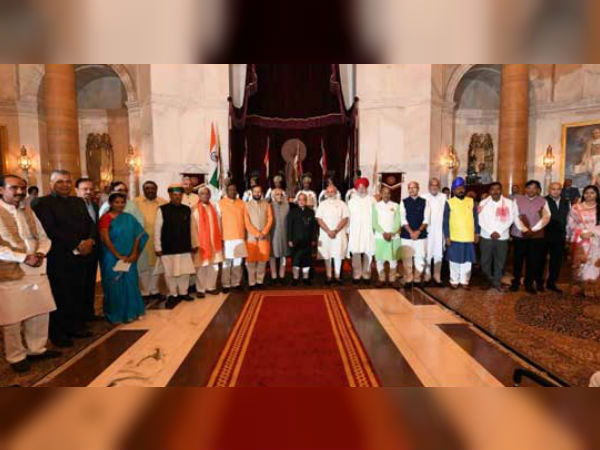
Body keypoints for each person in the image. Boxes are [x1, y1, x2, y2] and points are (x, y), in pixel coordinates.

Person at [0, 175, 59, 373]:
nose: (19, 191)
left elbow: (43, 237)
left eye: (22, 188)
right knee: (12, 316)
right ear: (1, 190)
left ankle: (36, 349)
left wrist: (41, 253)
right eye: (13, 187)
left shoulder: (27, 210)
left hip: (36, 266)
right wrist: (23, 257)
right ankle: (16, 356)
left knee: (40, 309)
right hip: (10, 270)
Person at [32, 170, 96, 347]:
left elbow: (90, 223)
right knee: (60, 295)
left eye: (68, 181)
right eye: (60, 181)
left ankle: (75, 326)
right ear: (51, 184)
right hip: (58, 257)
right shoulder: (42, 203)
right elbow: (49, 230)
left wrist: (90, 240)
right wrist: (77, 244)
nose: (65, 185)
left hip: (80, 257)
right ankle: (58, 333)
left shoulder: (78, 201)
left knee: (77, 293)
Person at [98, 193, 148, 323]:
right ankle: (116, 314)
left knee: (131, 283)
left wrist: (134, 253)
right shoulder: (105, 218)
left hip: (129, 257)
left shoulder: (129, 218)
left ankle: (132, 312)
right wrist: (117, 255)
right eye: (117, 202)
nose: (120, 205)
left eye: (122, 202)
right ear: (110, 203)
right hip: (112, 257)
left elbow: (138, 235)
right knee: (114, 286)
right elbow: (105, 239)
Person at [154, 184, 196, 308]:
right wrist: (158, 247)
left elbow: (192, 228)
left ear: (182, 196)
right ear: (170, 196)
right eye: (174, 195)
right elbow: (157, 230)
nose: (177, 197)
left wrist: (194, 243)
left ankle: (183, 292)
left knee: (185, 271)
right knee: (170, 272)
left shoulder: (187, 209)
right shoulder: (162, 209)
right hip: (168, 247)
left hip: (184, 246)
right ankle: (172, 294)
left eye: (179, 195)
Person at [510, 180, 551, 294]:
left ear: (538, 190)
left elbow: (546, 217)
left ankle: (528, 284)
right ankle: (515, 282)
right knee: (518, 260)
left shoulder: (543, 201)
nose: (531, 190)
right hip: (519, 235)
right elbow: (515, 215)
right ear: (525, 189)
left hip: (535, 236)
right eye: (529, 188)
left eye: (534, 188)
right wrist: (524, 229)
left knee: (532, 261)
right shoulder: (517, 199)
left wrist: (534, 230)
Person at [478, 182, 515, 292]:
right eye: (492, 189)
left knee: (500, 261)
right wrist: (491, 232)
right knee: (485, 261)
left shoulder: (509, 203)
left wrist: (499, 231)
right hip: (486, 236)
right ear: (489, 191)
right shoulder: (483, 203)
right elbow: (480, 219)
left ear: (501, 190)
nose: (495, 191)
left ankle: (497, 282)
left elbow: (511, 218)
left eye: (497, 189)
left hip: (502, 237)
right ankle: (488, 280)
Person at [443, 177, 480, 289]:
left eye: (462, 188)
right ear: (453, 190)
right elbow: (445, 221)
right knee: (454, 260)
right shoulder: (449, 202)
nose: (460, 190)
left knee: (467, 260)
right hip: (454, 237)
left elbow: (476, 219)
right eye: (458, 188)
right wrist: (447, 236)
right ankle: (454, 280)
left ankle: (465, 281)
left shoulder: (471, 201)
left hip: (468, 237)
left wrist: (477, 233)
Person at [134, 181, 167, 301]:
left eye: (153, 188)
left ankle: (154, 290)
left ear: (156, 189)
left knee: (156, 267)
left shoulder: (163, 202)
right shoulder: (135, 202)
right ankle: (144, 291)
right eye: (147, 188)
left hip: (158, 240)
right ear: (143, 190)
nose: (150, 190)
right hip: (141, 240)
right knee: (143, 267)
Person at [75, 177, 100, 321]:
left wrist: (92, 240)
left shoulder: (94, 206)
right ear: (77, 190)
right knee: (79, 285)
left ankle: (89, 313)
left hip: (93, 249)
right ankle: (79, 317)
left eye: (91, 189)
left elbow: (95, 226)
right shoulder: (72, 206)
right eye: (85, 189)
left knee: (90, 283)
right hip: (77, 250)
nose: (88, 192)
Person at [568, 185, 600, 297]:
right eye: (586, 193)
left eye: (592, 193)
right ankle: (580, 288)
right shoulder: (576, 207)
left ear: (597, 194)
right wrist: (580, 232)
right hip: (581, 239)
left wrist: (593, 232)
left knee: (594, 264)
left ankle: (593, 288)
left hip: (596, 239)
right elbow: (571, 223)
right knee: (581, 264)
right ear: (583, 194)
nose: (589, 195)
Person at [191, 187, 223, 297]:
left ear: (210, 195)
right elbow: (192, 228)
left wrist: (220, 238)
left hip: (214, 242)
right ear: (199, 196)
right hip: (201, 243)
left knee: (214, 266)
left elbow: (219, 224)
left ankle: (211, 287)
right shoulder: (194, 209)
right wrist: (194, 243)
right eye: (202, 194)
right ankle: (200, 289)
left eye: (207, 193)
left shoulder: (214, 208)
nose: (205, 195)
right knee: (201, 266)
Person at [316, 185, 349, 284]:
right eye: (329, 192)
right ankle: (329, 276)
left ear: (336, 192)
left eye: (332, 191)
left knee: (338, 254)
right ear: (326, 193)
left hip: (338, 233)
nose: (330, 194)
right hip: (326, 233)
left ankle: (338, 276)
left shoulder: (342, 204)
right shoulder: (322, 204)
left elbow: (345, 218)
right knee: (327, 254)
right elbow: (319, 219)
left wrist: (335, 230)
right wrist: (328, 231)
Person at [218, 183, 248, 292]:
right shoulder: (220, 203)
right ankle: (226, 284)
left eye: (234, 190)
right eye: (230, 190)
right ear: (227, 191)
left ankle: (236, 283)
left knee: (238, 262)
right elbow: (218, 221)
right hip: (226, 237)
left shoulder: (242, 203)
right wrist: (219, 237)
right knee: (227, 263)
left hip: (239, 237)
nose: (233, 192)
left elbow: (246, 220)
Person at [400, 181, 430, 288]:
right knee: (407, 257)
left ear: (418, 189)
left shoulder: (424, 202)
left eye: (414, 187)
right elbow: (402, 219)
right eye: (409, 188)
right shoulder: (403, 202)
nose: (412, 190)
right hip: (406, 235)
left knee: (420, 257)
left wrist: (418, 231)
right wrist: (411, 232)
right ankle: (409, 279)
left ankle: (417, 279)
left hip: (420, 235)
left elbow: (426, 219)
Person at [347, 177, 375, 285]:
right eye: (359, 187)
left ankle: (367, 274)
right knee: (356, 252)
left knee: (368, 251)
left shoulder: (372, 200)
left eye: (363, 187)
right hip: (355, 230)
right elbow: (348, 217)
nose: (361, 189)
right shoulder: (352, 201)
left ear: (366, 188)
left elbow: (376, 216)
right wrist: (348, 231)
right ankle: (357, 275)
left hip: (369, 230)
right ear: (356, 189)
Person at [245, 185, 273, 289]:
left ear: (261, 193)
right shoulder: (247, 205)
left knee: (262, 261)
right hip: (251, 238)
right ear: (251, 193)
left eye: (259, 192)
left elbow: (270, 219)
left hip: (264, 237)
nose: (257, 193)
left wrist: (264, 232)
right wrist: (257, 234)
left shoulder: (267, 205)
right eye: (255, 192)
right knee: (251, 262)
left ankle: (259, 281)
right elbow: (247, 222)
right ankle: (252, 283)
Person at [372, 186, 402, 287]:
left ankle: (392, 279)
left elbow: (398, 221)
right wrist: (383, 233)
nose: (386, 195)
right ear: (381, 194)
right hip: (380, 237)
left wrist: (392, 233)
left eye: (388, 193)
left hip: (393, 237)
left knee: (393, 259)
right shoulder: (376, 206)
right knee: (379, 259)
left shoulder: (396, 206)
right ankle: (381, 278)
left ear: (390, 194)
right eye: (384, 193)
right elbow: (374, 222)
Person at [544, 182, 570, 293]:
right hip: (545, 235)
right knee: (540, 260)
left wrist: (568, 234)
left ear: (561, 190)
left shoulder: (566, 202)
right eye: (553, 189)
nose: (555, 191)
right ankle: (539, 282)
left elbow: (568, 219)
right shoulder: (543, 201)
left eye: (558, 189)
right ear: (549, 190)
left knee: (556, 261)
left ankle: (551, 283)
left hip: (560, 236)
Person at [287, 193, 317, 285]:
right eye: (299, 200)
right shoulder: (292, 212)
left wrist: (313, 239)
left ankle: (305, 278)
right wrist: (289, 239)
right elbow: (289, 227)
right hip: (295, 241)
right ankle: (295, 278)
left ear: (306, 201)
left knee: (306, 260)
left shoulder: (311, 212)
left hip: (307, 240)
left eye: (303, 199)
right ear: (297, 201)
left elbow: (314, 227)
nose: (301, 201)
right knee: (296, 260)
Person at [422, 178, 446, 285]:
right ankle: (427, 275)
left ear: (439, 187)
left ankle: (437, 275)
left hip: (439, 230)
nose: (434, 187)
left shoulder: (444, 197)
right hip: (427, 230)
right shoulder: (423, 197)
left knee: (438, 253)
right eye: (432, 185)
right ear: (429, 186)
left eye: (436, 185)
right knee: (427, 253)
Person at [269, 188, 290, 284]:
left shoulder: (287, 206)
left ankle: (282, 276)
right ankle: (273, 276)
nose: (280, 196)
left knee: (283, 255)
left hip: (284, 234)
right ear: (273, 196)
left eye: (281, 194)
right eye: (277, 194)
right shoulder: (269, 206)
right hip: (273, 234)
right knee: (272, 255)